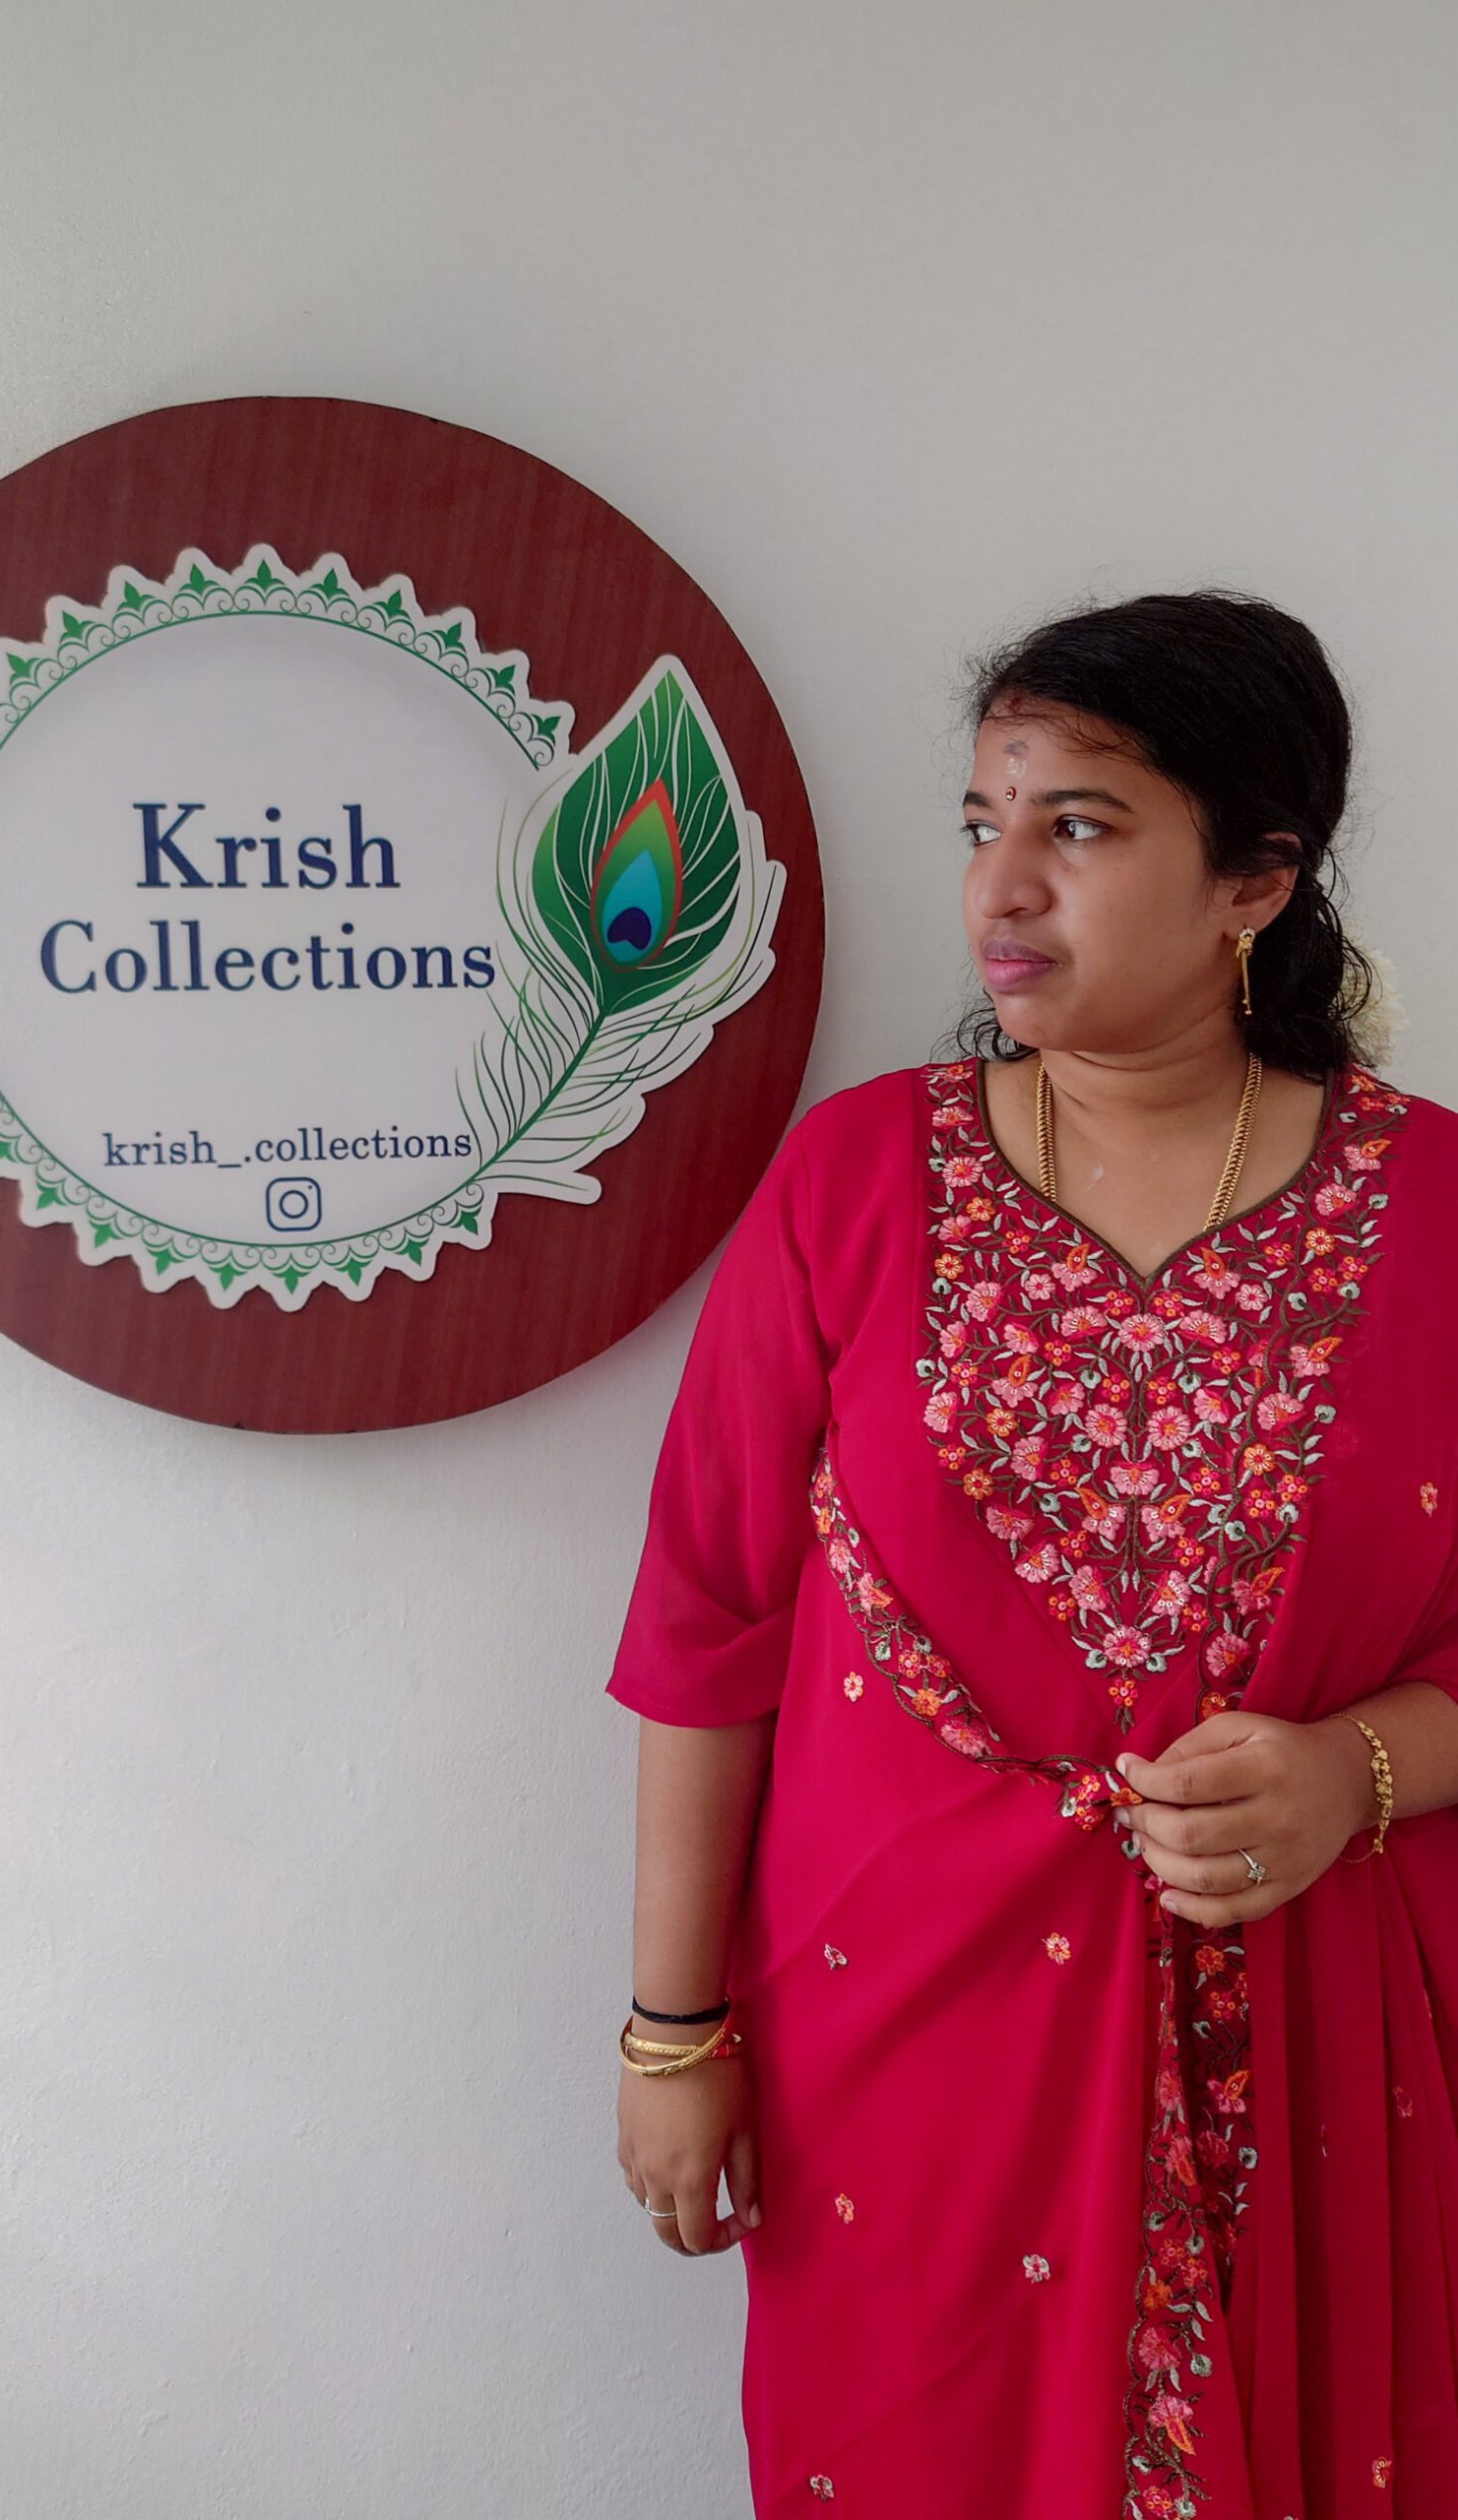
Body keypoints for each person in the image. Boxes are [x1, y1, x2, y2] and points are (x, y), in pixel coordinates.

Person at [608, 592, 1458, 2519]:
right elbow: (710, 1622)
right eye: (984, 821)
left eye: (1078, 825)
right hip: (909, 2047)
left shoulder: (1435, 1210)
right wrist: (672, 2028)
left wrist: (1359, 1767)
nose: (1002, 887)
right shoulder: (853, 1181)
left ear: (1256, 879)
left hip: (1317, 2048)